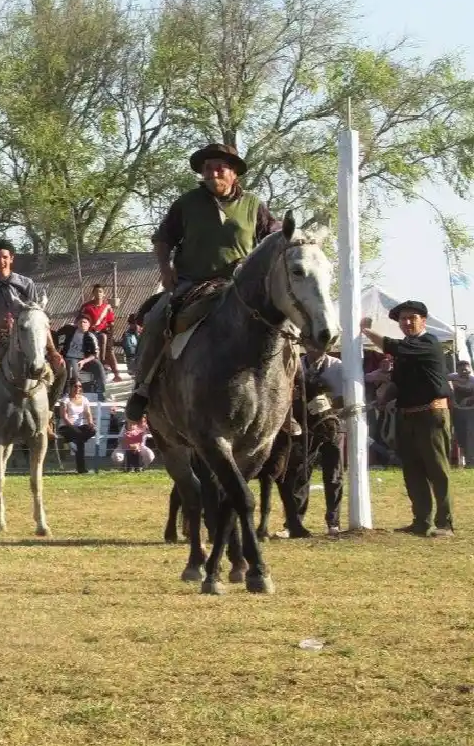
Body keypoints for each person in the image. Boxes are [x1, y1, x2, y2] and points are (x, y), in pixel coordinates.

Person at [125, 142, 277, 423]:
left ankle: (287, 399)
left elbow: (275, 237)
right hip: (193, 283)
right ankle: (142, 389)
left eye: (220, 167)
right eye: (208, 168)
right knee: (158, 319)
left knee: (283, 326)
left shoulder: (254, 205)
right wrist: (164, 267)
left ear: (234, 174)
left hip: (241, 288)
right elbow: (162, 238)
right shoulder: (186, 203)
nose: (213, 173)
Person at [361, 301, 454, 537]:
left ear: (424, 320)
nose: (407, 322)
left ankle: (445, 524)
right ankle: (422, 521)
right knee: (412, 471)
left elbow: (393, 346)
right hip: (407, 416)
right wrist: (381, 397)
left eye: (413, 318)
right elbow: (397, 383)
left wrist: (365, 330)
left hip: (431, 415)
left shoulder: (428, 342)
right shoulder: (407, 352)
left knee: (436, 470)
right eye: (403, 319)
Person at [0, 239, 63, 433]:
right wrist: (0, 324)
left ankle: (47, 415)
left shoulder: (26, 284)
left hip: (28, 338)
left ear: (12, 259)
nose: (1, 261)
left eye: (5, 257)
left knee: (61, 370)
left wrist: (53, 350)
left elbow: (39, 318)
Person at [286, 348, 346, 535]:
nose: (315, 347)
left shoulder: (338, 367)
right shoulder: (295, 364)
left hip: (332, 426)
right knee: (300, 474)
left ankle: (333, 522)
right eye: (310, 342)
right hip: (305, 427)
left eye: (320, 344)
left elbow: (345, 396)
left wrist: (328, 403)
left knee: (333, 475)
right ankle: (294, 523)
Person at [56, 313, 109, 397]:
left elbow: (94, 354)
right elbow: (58, 334)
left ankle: (101, 391)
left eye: (85, 322)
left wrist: (84, 361)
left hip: (83, 359)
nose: (82, 324)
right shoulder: (69, 331)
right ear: (76, 324)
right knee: (71, 366)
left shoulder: (90, 336)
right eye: (80, 322)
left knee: (98, 365)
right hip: (69, 358)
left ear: (89, 325)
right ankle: (65, 392)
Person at [80, 284, 123, 381]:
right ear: (93, 293)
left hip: (105, 332)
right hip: (90, 333)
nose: (98, 293)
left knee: (110, 350)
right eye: (96, 291)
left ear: (104, 294)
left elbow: (111, 321)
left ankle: (116, 374)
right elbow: (80, 319)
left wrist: (109, 332)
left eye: (100, 291)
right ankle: (97, 368)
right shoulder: (87, 307)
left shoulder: (107, 307)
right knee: (93, 351)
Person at [56, 380, 96, 474]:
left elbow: (88, 413)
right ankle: (81, 469)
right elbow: (64, 417)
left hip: (79, 427)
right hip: (66, 426)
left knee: (92, 431)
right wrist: (73, 427)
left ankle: (70, 441)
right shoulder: (65, 400)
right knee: (80, 441)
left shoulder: (84, 399)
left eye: (79, 386)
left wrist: (90, 422)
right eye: (75, 386)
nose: (78, 388)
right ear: (70, 387)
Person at [447, 360, 474, 467]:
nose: (464, 372)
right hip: (455, 411)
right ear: (457, 370)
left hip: (470, 411)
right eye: (462, 370)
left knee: (470, 435)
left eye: (466, 370)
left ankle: (470, 460)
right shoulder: (451, 378)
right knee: (455, 435)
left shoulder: (473, 381)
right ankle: (453, 460)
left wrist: (469, 399)